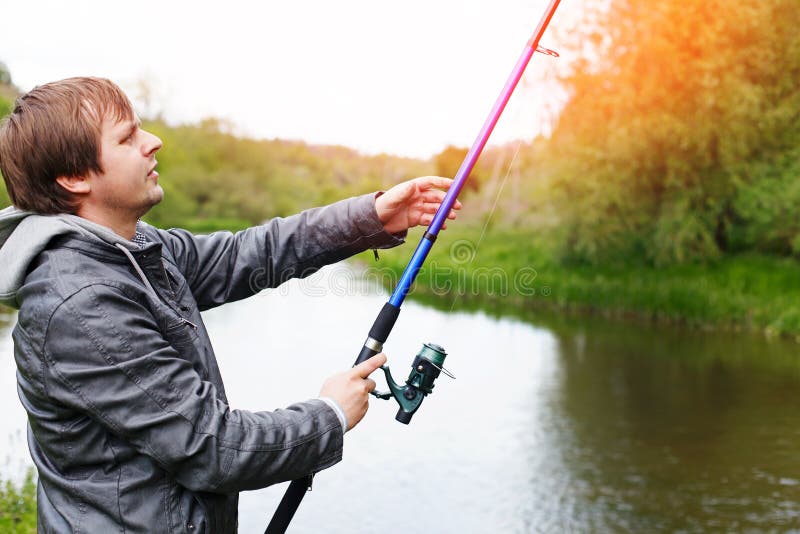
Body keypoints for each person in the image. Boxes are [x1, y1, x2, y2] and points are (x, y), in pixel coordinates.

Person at [0, 77, 460, 533]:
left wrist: (372, 217)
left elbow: (247, 254)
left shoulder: (131, 248)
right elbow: (214, 447)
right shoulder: (84, 306)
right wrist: (330, 415)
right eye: (128, 137)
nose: (153, 142)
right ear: (74, 178)